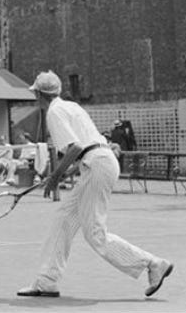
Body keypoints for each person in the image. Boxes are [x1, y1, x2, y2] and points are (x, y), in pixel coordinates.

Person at [16, 71, 173, 299]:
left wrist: (55, 175)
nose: (34, 98)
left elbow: (75, 148)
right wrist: (66, 171)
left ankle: (153, 264)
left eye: (35, 94)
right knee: (63, 220)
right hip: (99, 161)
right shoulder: (72, 107)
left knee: (95, 234)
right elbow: (85, 148)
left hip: (98, 164)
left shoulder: (54, 112)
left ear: (41, 94)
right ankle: (46, 281)